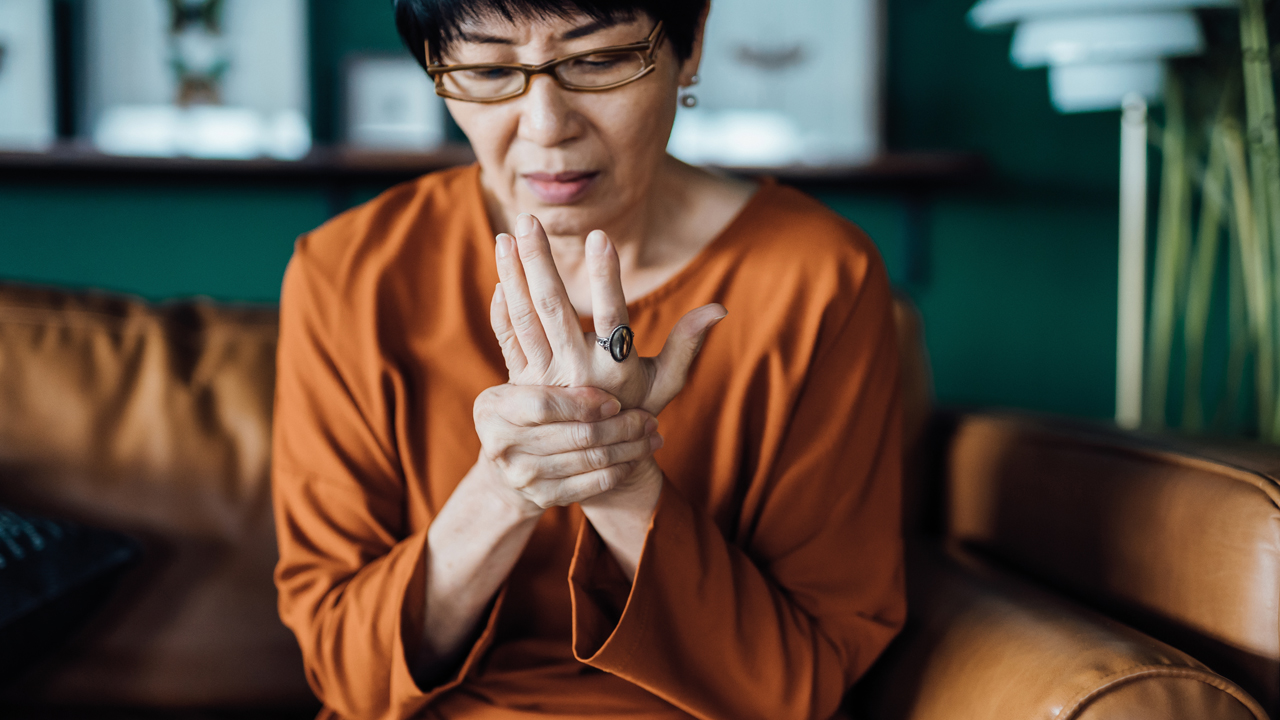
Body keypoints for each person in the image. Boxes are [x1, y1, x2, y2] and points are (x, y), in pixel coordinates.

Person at [271, 1, 906, 718]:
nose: (546, 127)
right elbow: (349, 675)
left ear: (688, 46)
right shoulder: (348, 273)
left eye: (598, 61)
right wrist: (506, 488)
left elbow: (800, 687)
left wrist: (621, 478)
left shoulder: (818, 277)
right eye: (485, 69)